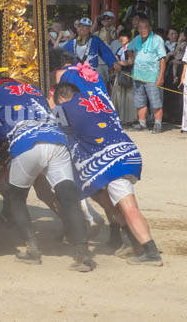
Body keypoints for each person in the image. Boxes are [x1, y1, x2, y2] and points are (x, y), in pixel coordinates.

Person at [0, 76, 95, 271]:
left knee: (16, 199)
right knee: (68, 198)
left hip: (26, 143)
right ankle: (82, 253)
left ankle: (32, 249)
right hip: (57, 141)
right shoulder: (35, 91)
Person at [52, 80, 162, 266]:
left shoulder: (64, 108)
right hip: (127, 152)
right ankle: (131, 241)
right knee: (102, 197)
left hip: (110, 160)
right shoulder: (99, 101)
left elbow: (52, 128)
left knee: (129, 207)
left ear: (61, 98)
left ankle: (151, 252)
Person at [126, 16, 167, 133]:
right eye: (140, 28)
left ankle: (158, 124)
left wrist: (160, 77)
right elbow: (129, 48)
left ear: (150, 28)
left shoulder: (157, 39)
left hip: (152, 76)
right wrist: (131, 58)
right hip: (138, 75)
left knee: (155, 101)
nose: (143, 30)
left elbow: (163, 59)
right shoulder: (137, 39)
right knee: (140, 101)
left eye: (145, 27)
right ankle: (142, 123)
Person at [62, 17, 118, 82]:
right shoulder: (72, 42)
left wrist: (114, 63)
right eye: (80, 26)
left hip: (91, 73)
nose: (82, 28)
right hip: (75, 73)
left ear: (89, 28)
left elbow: (105, 52)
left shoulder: (95, 40)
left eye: (85, 26)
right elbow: (62, 54)